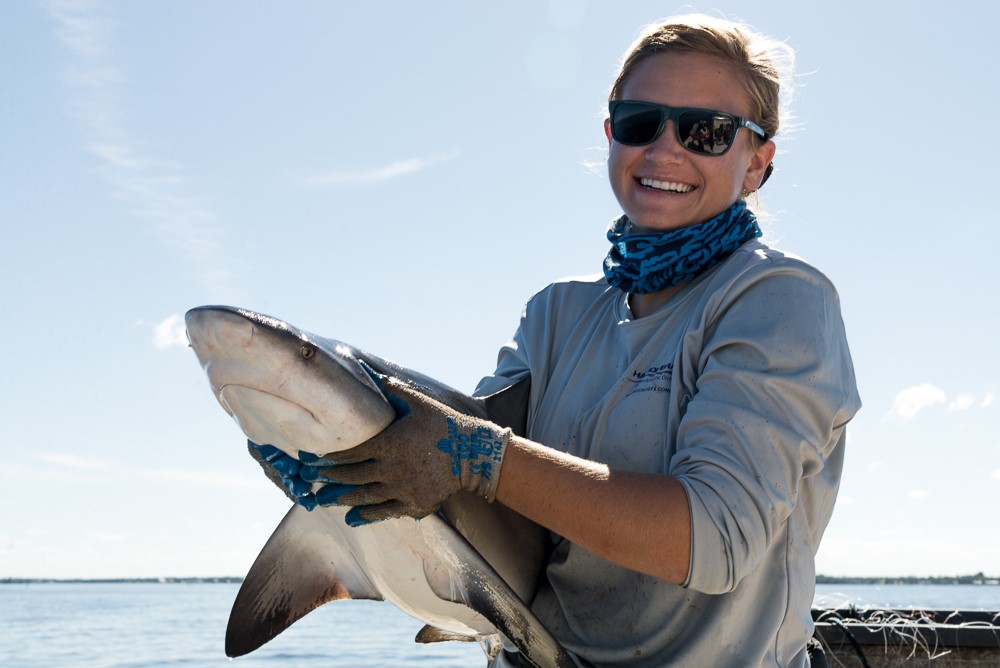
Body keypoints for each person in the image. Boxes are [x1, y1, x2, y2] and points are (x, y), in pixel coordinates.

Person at [298, 14, 861, 667]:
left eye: (707, 132)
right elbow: (469, 514)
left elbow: (713, 541)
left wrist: (480, 456)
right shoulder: (555, 315)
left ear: (758, 162)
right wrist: (340, 467)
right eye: (640, 123)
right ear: (611, 135)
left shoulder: (780, 299)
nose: (665, 149)